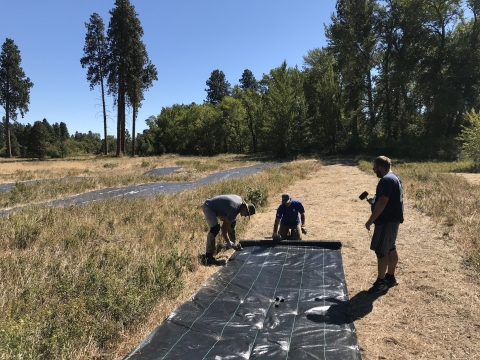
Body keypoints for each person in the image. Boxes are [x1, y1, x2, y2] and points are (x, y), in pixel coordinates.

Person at [365, 156, 404, 294]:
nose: (374, 170)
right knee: (391, 248)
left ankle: (381, 282)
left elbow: (383, 202)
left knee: (381, 251)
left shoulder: (386, 180)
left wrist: (370, 220)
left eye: (374, 168)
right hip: (393, 220)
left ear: (381, 167)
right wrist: (373, 202)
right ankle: (390, 277)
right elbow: (385, 200)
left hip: (386, 221)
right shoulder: (395, 177)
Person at [201, 194, 256, 265]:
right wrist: (227, 241)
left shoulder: (239, 200)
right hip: (209, 207)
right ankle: (209, 256)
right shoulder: (234, 209)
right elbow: (224, 228)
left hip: (217, 207)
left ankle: (233, 245)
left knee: (232, 221)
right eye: (247, 213)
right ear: (245, 207)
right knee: (215, 229)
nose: (245, 216)